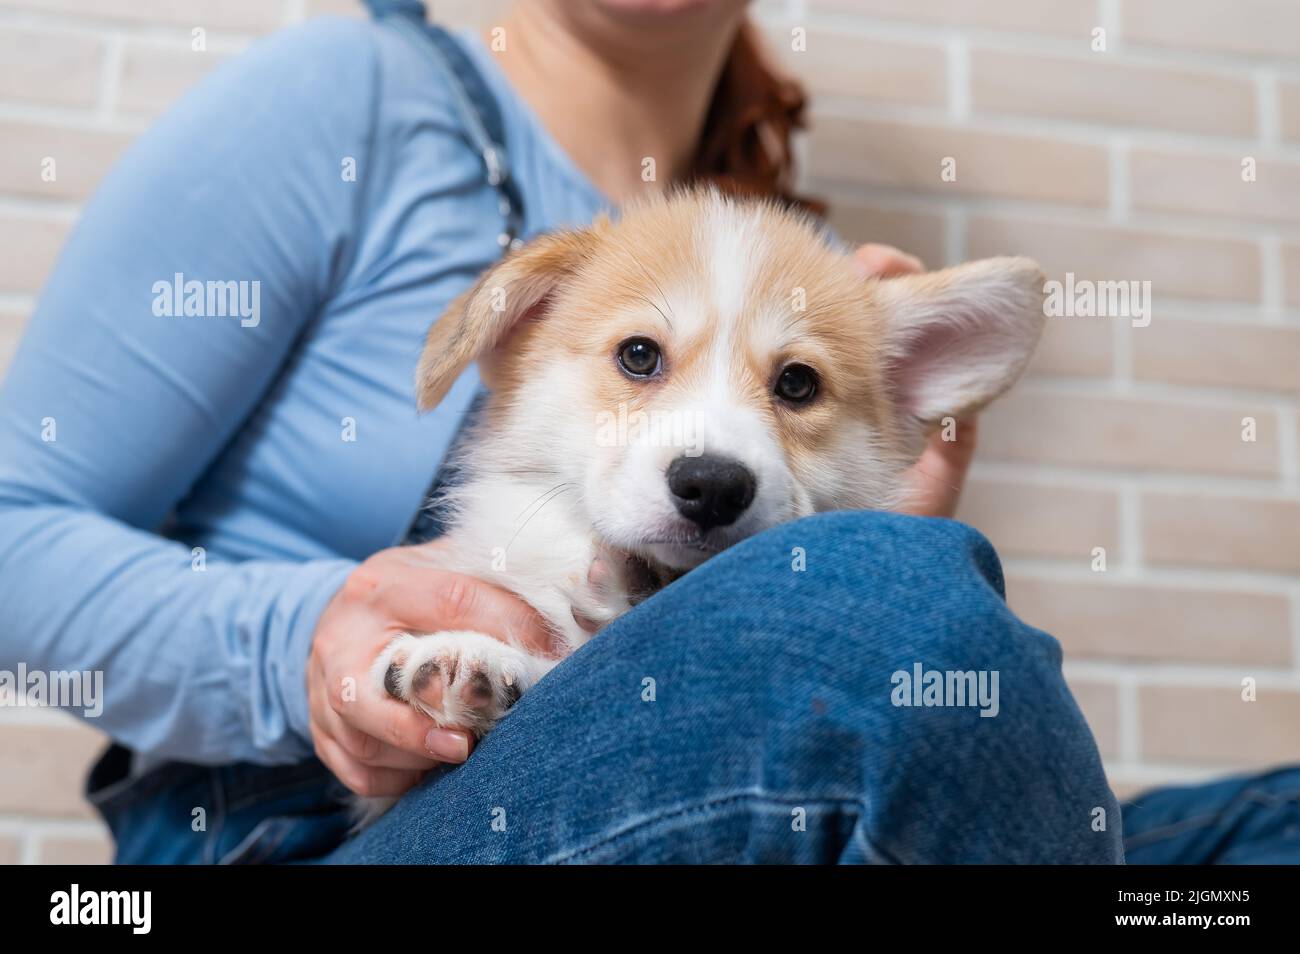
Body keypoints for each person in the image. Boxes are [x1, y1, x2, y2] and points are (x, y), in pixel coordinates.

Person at [0, 0, 1290, 864]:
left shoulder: (792, 254)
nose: (716, 425)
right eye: (637, 358)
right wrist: (305, 644)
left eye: (790, 385)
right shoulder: (361, 95)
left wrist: (844, 577)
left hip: (690, 786)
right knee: (891, 604)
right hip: (313, 828)